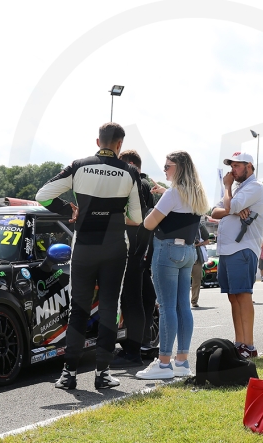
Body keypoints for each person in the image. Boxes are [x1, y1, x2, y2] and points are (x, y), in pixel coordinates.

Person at [36, 122, 143, 391]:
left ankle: (68, 373)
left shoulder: (79, 165)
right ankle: (103, 373)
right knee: (109, 308)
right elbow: (137, 218)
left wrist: (69, 209)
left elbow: (43, 195)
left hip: (83, 246)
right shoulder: (129, 171)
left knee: (78, 310)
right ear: (119, 145)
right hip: (115, 248)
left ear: (98, 142)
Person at [137, 151, 209, 381]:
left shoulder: (173, 193)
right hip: (188, 251)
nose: (165, 169)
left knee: (167, 307)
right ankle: (181, 361)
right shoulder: (198, 193)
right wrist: (164, 195)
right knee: (182, 307)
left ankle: (164, 363)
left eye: (168, 166)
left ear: (178, 168)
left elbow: (149, 223)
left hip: (167, 250)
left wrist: (154, 206)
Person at [210, 152, 263, 359]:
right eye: (231, 166)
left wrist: (227, 190)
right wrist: (232, 209)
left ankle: (249, 345)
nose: (232, 171)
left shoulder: (255, 187)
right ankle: (239, 343)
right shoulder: (238, 189)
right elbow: (214, 212)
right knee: (233, 297)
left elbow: (228, 206)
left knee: (243, 296)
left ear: (249, 166)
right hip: (227, 250)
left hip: (242, 248)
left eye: (236, 166)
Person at [113, 150, 158, 367]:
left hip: (134, 246)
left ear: (130, 165)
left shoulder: (138, 183)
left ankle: (134, 350)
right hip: (143, 247)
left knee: (132, 298)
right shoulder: (146, 184)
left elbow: (136, 217)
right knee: (144, 295)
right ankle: (144, 343)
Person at [190, 219, 211, 307]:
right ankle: (180, 302)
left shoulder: (199, 224)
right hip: (180, 255)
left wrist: (199, 244)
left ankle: (194, 300)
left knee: (197, 279)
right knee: (181, 280)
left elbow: (207, 240)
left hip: (196, 256)